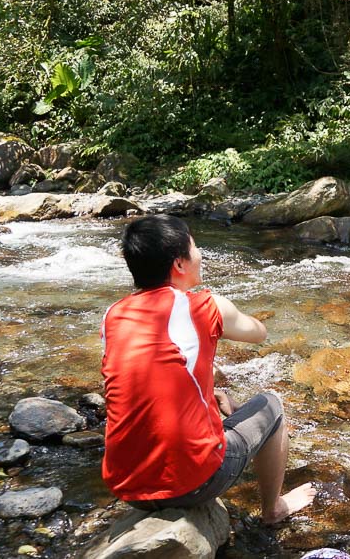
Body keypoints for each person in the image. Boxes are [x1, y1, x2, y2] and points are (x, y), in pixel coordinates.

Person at [100, 214, 316, 522]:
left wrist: (208, 389)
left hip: (126, 487)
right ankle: (274, 509)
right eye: (195, 246)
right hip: (192, 484)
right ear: (179, 264)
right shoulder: (203, 306)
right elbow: (258, 333)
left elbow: (151, 376)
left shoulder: (112, 315)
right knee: (272, 404)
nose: (200, 254)